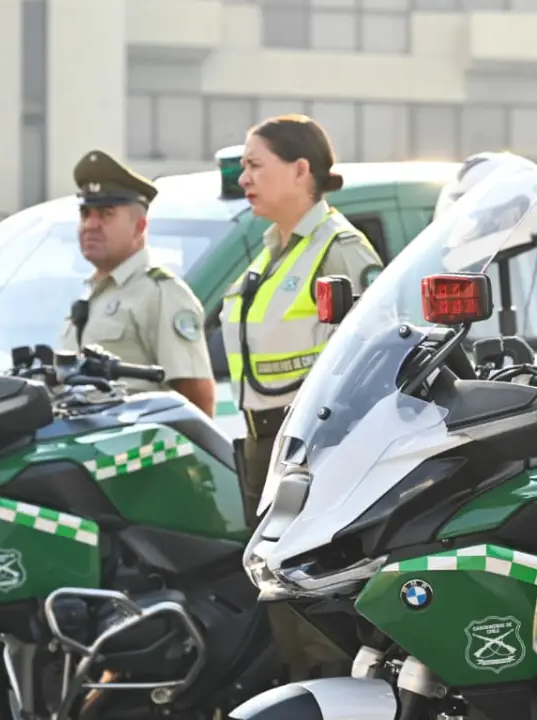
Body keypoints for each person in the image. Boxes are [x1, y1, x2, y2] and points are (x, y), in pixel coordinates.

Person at [220, 114, 383, 680]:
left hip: (315, 457)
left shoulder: (339, 249)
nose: (244, 177)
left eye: (254, 165)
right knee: (282, 612)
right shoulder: (268, 255)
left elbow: (377, 351)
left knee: (319, 622)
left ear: (299, 169)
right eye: (243, 166)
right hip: (263, 450)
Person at [58, 150, 216, 416]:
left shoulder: (161, 293)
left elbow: (197, 400)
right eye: (86, 214)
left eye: (106, 214)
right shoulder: (91, 296)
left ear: (139, 226)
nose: (90, 225)